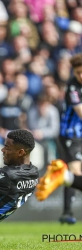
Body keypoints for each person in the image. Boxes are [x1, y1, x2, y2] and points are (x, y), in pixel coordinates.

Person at [57, 53, 82, 224]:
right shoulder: (72, 88)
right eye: (78, 72)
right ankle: (67, 212)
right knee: (75, 173)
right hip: (70, 137)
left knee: (71, 175)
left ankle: (66, 212)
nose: (80, 76)